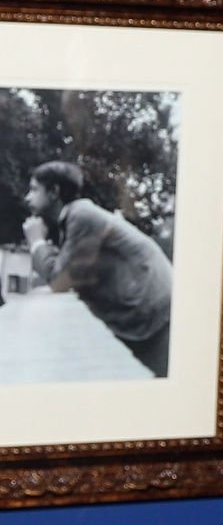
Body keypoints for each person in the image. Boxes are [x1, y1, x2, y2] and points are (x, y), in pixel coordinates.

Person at [23, 160, 174, 377]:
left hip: (156, 312)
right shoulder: (75, 218)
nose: (27, 197)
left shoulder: (81, 215)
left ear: (54, 191)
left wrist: (37, 242)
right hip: (148, 314)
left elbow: (59, 280)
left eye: (34, 189)